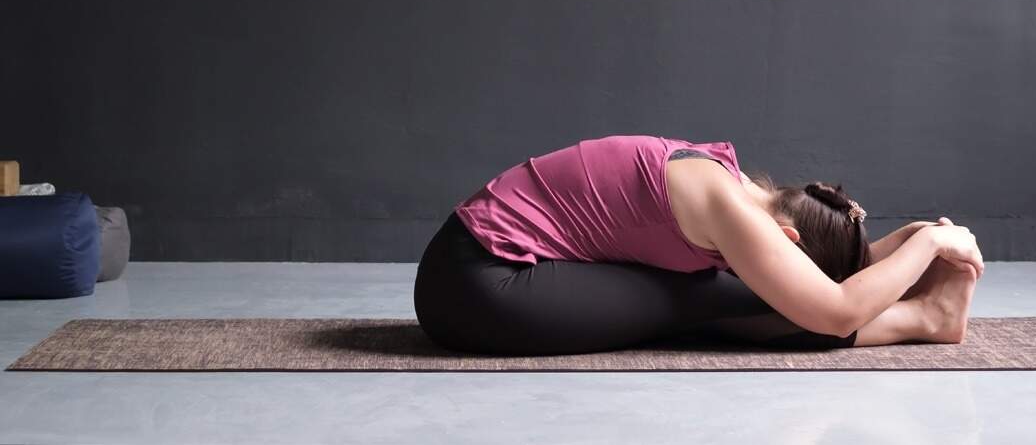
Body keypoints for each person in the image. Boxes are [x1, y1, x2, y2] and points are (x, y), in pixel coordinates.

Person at [413, 134, 983, 355]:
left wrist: (897, 247)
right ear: (787, 238)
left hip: (469, 266)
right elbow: (834, 313)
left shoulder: (729, 181)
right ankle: (924, 319)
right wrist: (931, 242)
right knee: (711, 297)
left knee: (721, 293)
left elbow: (817, 288)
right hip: (478, 286)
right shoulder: (728, 211)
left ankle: (926, 314)